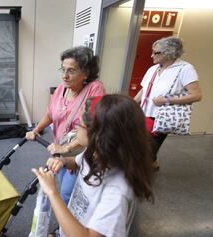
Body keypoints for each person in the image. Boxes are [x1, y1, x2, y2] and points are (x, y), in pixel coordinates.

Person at [33, 95, 154, 237]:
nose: (75, 129)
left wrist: (53, 193)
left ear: (99, 136)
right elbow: (77, 161)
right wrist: (64, 161)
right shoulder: (95, 153)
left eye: (79, 124)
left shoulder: (117, 191)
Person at [26, 46, 105, 204]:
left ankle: (72, 226)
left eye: (71, 71)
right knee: (65, 185)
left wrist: (68, 148)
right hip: (60, 149)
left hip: (82, 152)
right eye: (63, 70)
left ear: (86, 72)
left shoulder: (95, 89)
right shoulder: (62, 89)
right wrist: (36, 130)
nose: (65, 76)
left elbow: (95, 127)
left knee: (68, 193)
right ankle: (69, 224)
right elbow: (50, 114)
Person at [134, 36, 202, 170]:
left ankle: (142, 177)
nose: (151, 55)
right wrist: (132, 103)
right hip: (144, 113)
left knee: (145, 150)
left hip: (162, 117)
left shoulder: (185, 69)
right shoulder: (153, 69)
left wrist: (167, 100)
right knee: (141, 145)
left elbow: (197, 95)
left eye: (156, 52)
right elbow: (144, 89)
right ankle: (152, 163)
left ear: (170, 52)